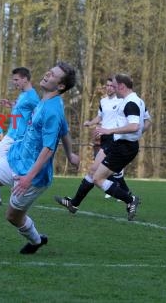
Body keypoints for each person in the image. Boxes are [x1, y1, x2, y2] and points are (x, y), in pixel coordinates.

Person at [0, 62, 79, 254]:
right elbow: (64, 129)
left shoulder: (52, 109)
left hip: (33, 176)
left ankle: (36, 241)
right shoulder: (46, 101)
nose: (47, 74)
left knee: (13, 217)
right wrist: (70, 154)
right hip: (15, 159)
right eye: (49, 70)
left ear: (61, 86)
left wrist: (28, 178)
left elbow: (48, 148)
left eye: (52, 75)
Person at [55, 74, 148, 221]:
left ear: (122, 86)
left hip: (122, 145)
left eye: (115, 86)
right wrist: (136, 135)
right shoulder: (136, 101)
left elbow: (134, 125)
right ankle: (74, 203)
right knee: (93, 171)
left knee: (98, 178)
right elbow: (146, 122)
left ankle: (130, 199)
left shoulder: (130, 102)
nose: (112, 88)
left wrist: (111, 131)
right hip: (119, 143)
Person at [0, 67, 40, 206]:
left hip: (16, 137)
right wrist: (10, 104)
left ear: (25, 79)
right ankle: (7, 193)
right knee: (5, 166)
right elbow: (21, 108)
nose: (14, 82)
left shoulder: (32, 97)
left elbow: (39, 114)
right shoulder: (23, 94)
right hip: (12, 134)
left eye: (16, 80)